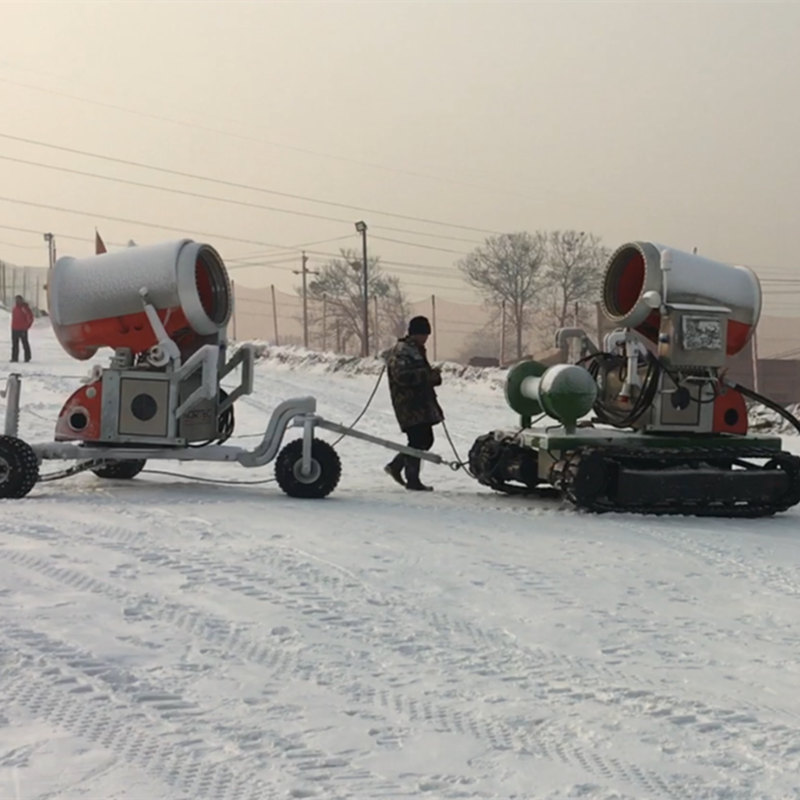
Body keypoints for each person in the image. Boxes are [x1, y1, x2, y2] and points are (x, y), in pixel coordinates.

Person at [383, 315, 444, 491]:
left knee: (425, 439)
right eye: (424, 334)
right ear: (416, 333)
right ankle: (412, 479)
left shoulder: (416, 349)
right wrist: (428, 375)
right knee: (418, 439)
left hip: (419, 404)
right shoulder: (403, 350)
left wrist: (432, 377)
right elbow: (401, 376)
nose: (426, 339)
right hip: (408, 404)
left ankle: (396, 466)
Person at [10, 295, 33, 363]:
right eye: (16, 300)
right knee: (14, 344)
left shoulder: (25, 308)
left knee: (25, 343)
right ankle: (14, 358)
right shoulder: (15, 308)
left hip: (22, 329)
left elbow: (30, 318)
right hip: (14, 329)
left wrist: (27, 326)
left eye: (19, 300)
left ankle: (27, 357)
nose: (17, 301)